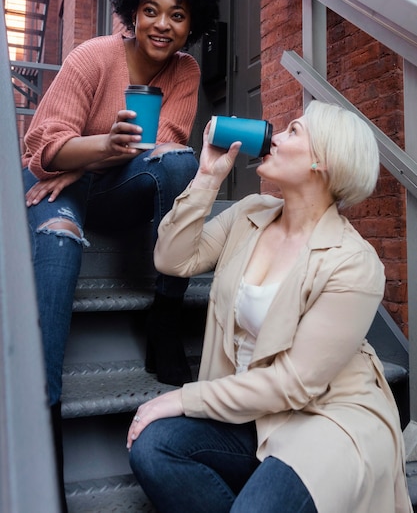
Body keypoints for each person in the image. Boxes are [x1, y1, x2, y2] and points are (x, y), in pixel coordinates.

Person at [127, 100, 413, 513]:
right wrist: (207, 177)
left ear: (324, 162)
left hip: (325, 417)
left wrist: (182, 399)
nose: (274, 137)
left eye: (293, 131)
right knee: (152, 447)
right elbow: (172, 259)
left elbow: (294, 384)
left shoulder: (354, 261)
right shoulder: (250, 214)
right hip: (254, 414)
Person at [22, 0, 220, 510]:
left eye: (177, 15)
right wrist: (90, 154)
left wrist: (90, 162)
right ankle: (44, 421)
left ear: (191, 24)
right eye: (151, 10)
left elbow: (169, 147)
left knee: (181, 162)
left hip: (103, 179)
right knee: (60, 240)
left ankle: (164, 314)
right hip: (55, 180)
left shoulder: (183, 72)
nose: (162, 24)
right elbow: (42, 146)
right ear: (132, 12)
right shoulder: (93, 56)